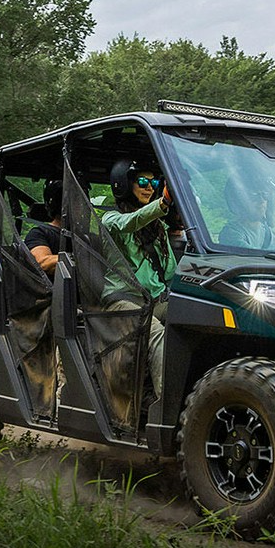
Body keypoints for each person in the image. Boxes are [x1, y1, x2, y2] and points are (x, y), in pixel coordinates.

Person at [101, 159, 177, 398]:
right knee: (158, 335)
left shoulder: (158, 227)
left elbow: (172, 270)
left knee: (190, 317)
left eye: (153, 182)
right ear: (123, 184)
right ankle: (166, 408)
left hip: (153, 301)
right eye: (142, 181)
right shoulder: (110, 219)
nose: (149, 187)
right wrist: (163, 202)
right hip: (122, 301)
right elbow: (131, 222)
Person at [218, 177, 275, 252]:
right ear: (239, 201)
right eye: (254, 195)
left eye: (265, 195)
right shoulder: (230, 233)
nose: (262, 200)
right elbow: (252, 255)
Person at [25, 179, 62, 277]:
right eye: (77, 203)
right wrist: (82, 259)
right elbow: (42, 264)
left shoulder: (87, 238)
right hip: (54, 290)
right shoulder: (39, 233)